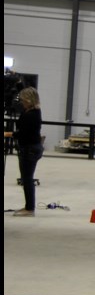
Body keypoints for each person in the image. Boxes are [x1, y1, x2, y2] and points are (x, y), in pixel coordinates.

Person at [13, 87, 43, 217]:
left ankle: (30, 208)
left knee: (27, 179)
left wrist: (10, 134)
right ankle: (28, 207)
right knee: (27, 179)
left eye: (23, 99)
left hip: (30, 149)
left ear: (29, 100)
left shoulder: (30, 115)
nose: (21, 102)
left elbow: (24, 133)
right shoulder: (34, 111)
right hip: (32, 147)